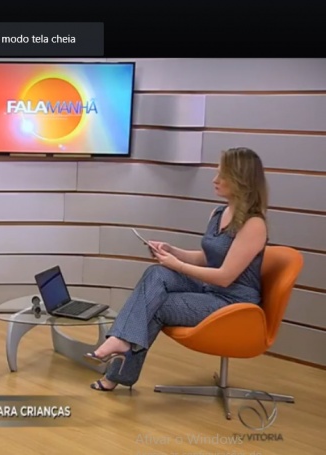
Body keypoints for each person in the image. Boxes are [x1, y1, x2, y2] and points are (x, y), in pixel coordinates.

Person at [87, 147, 268, 392]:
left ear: (240, 180)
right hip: (209, 288)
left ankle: (117, 367)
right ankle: (120, 343)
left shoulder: (254, 224)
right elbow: (207, 258)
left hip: (232, 303)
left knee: (158, 305)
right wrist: (172, 251)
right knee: (156, 274)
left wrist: (178, 265)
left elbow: (225, 277)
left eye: (222, 175)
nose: (215, 180)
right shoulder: (218, 213)